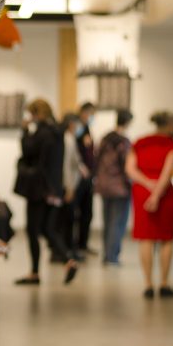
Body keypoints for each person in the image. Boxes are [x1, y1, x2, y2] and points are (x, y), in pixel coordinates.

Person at [14, 99, 79, 285]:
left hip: (38, 189)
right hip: (53, 188)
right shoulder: (58, 133)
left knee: (33, 230)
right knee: (48, 229)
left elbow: (28, 151)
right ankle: (69, 259)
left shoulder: (43, 133)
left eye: (32, 114)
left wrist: (25, 131)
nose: (31, 118)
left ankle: (34, 272)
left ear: (38, 113)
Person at [126, 111, 173, 299]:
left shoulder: (140, 142)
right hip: (163, 193)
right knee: (166, 238)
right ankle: (164, 283)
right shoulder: (171, 145)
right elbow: (166, 173)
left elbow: (130, 169)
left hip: (142, 191)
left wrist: (147, 184)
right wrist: (157, 193)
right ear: (171, 126)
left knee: (146, 238)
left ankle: (148, 284)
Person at [96, 109, 134, 265]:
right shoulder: (123, 142)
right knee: (117, 222)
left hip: (103, 185)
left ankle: (107, 254)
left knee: (107, 221)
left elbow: (96, 160)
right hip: (119, 187)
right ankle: (112, 256)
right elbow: (127, 166)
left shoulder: (105, 139)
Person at [55, 113, 88, 261]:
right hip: (67, 186)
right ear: (71, 124)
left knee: (66, 221)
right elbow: (67, 166)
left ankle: (66, 251)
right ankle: (66, 253)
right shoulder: (67, 140)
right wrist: (69, 188)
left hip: (69, 185)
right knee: (66, 221)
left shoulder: (69, 138)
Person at [75, 102, 97, 255]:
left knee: (87, 212)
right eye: (90, 114)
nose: (92, 117)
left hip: (88, 176)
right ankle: (75, 245)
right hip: (79, 177)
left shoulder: (87, 128)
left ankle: (83, 244)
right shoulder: (77, 128)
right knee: (77, 213)